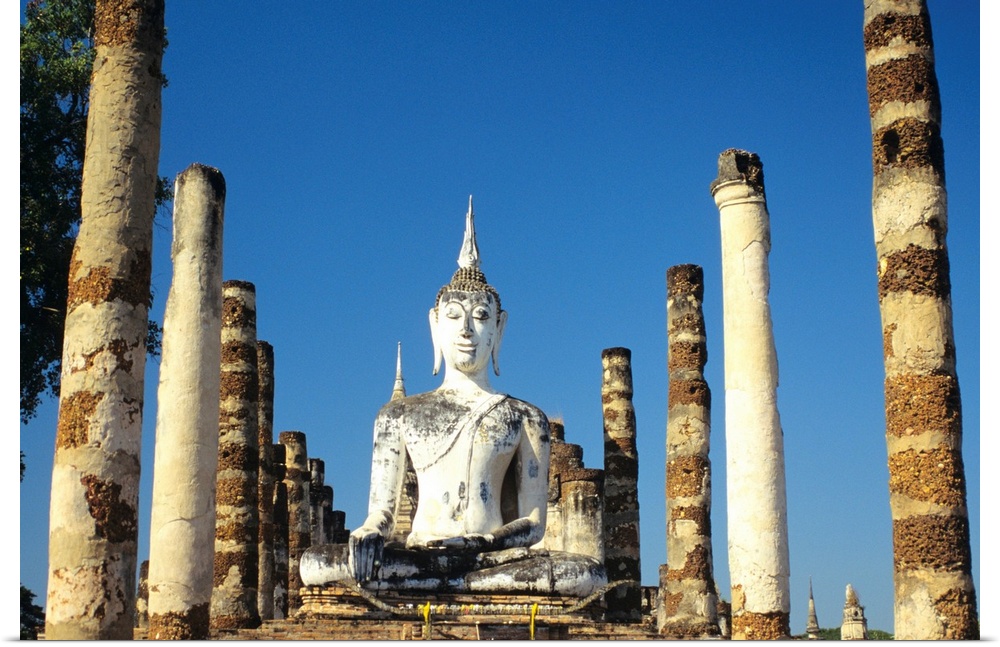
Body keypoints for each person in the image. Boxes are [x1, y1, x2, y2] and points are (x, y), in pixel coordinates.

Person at [300, 199, 605, 595]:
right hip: (419, 554)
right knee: (315, 563)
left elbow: (533, 523)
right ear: (435, 325)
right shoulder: (398, 415)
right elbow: (382, 513)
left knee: (584, 573)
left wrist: (484, 542)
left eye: (480, 317)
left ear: (499, 329)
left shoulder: (525, 418)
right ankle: (449, 581)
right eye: (455, 316)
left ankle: (456, 581)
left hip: (489, 558)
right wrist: (370, 531)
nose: (466, 330)